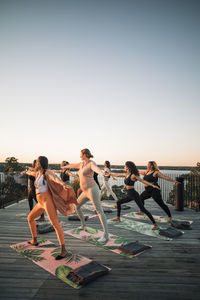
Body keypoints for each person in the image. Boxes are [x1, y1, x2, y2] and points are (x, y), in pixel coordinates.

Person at [21, 156, 77, 259]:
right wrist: (25, 172)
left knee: (55, 224)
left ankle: (63, 250)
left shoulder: (47, 172)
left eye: (37, 162)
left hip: (48, 202)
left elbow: (55, 178)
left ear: (41, 163)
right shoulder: (38, 174)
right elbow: (31, 173)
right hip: (40, 203)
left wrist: (63, 184)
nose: (35, 164)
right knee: (30, 218)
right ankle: (34, 240)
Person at [62, 148, 109, 242]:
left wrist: (102, 173)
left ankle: (106, 235)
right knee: (76, 206)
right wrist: (63, 167)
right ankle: (83, 225)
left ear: (85, 154)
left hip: (92, 190)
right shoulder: (81, 164)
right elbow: (72, 165)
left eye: (80, 154)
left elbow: (96, 169)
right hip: (85, 191)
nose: (79, 155)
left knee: (99, 211)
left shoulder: (91, 163)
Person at [110, 161, 159, 230]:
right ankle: (118, 218)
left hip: (134, 194)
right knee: (118, 202)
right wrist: (110, 174)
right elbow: (118, 175)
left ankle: (155, 224)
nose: (124, 167)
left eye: (125, 166)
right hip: (129, 194)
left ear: (128, 167)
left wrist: (153, 185)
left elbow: (143, 181)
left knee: (143, 209)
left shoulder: (133, 175)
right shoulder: (127, 174)